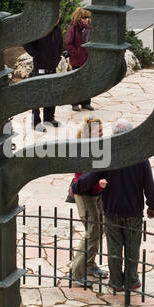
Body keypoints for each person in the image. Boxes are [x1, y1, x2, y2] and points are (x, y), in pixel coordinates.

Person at [76, 119, 154, 293]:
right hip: (133, 212)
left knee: (114, 248)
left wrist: (76, 186)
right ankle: (131, 280)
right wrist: (152, 206)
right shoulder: (140, 156)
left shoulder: (109, 156)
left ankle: (115, 281)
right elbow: (149, 186)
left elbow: (89, 178)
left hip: (112, 212)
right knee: (132, 247)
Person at [67, 117, 108, 285]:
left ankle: (90, 265)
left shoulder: (100, 146)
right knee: (93, 232)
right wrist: (97, 181)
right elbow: (83, 179)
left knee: (100, 230)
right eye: (98, 130)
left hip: (97, 193)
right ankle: (76, 272)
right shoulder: (82, 149)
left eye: (101, 129)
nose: (101, 132)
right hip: (85, 195)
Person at [25, 20, 62, 129]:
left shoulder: (57, 30)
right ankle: (35, 122)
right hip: (40, 68)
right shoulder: (40, 28)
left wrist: (57, 59)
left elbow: (60, 46)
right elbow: (27, 43)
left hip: (52, 67)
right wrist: (38, 56)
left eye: (58, 16)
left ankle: (49, 118)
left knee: (52, 93)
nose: (57, 19)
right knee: (38, 95)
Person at [65, 7, 94, 110]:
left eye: (87, 17)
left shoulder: (89, 28)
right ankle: (75, 103)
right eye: (84, 17)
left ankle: (86, 103)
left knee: (87, 82)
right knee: (76, 82)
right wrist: (76, 54)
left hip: (87, 59)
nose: (86, 19)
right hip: (77, 60)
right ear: (79, 18)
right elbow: (69, 43)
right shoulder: (73, 28)